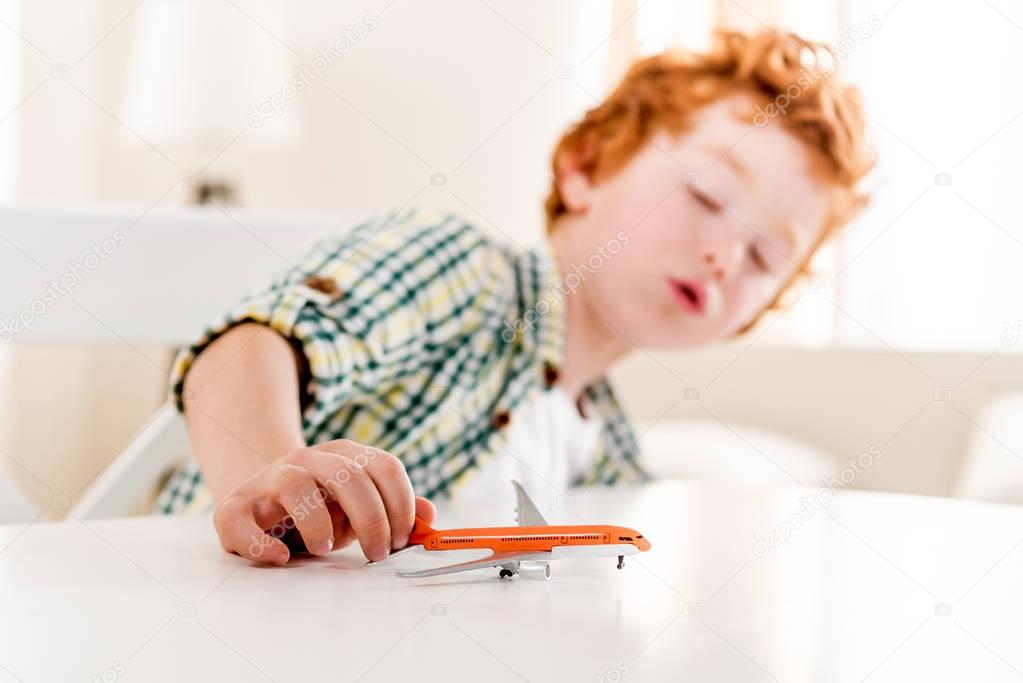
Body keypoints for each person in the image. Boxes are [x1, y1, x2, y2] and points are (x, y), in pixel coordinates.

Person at [157, 30, 872, 565]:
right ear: (585, 167)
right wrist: (266, 471)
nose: (723, 255)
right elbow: (251, 343)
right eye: (707, 193)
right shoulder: (463, 274)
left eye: (763, 257)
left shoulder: (609, 451)